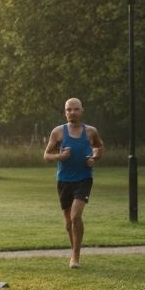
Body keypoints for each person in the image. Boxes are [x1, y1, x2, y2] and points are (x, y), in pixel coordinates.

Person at [44, 97, 105, 268]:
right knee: (68, 223)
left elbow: (99, 147)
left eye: (75, 109)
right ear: (65, 112)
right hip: (64, 180)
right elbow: (46, 156)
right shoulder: (58, 132)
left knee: (76, 216)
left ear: (82, 111)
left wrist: (94, 158)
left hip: (84, 179)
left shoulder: (90, 131)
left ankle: (75, 256)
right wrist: (60, 156)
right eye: (68, 109)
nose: (72, 112)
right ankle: (74, 251)